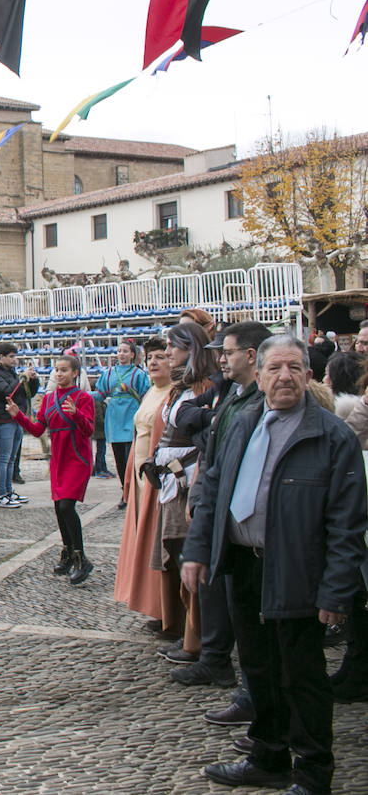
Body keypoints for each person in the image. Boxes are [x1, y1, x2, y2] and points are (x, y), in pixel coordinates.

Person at [182, 335, 368, 795]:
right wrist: (198, 550)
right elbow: (212, 489)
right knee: (258, 667)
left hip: (299, 570)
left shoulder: (332, 436)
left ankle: (312, 773)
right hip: (245, 566)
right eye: (275, 368)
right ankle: (268, 755)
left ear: (307, 375)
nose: (285, 376)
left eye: (294, 367)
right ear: (259, 375)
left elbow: (348, 526)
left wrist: (336, 591)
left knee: (302, 676)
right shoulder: (242, 422)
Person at [172, 321, 271, 690]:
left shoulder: (254, 399)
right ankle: (225, 668)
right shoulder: (231, 392)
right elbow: (195, 428)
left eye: (227, 352)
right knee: (222, 593)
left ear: (249, 355)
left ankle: (251, 691)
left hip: (241, 515)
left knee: (244, 609)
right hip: (217, 502)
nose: (220, 359)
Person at [151, 321, 218, 664]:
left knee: (189, 557)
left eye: (174, 347)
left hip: (187, 481)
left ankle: (200, 641)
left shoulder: (204, 387)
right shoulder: (183, 387)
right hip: (172, 481)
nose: (168, 353)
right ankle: (189, 633)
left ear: (191, 349)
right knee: (178, 557)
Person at [8, 355, 94, 584]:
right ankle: (67, 553)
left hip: (77, 457)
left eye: (64, 370)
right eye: (56, 369)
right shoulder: (48, 399)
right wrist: (19, 417)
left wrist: (77, 414)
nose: (59, 374)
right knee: (59, 507)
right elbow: (38, 430)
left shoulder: (84, 398)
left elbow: (89, 430)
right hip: (59, 459)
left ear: (75, 373)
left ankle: (81, 557)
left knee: (67, 505)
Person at [114, 337, 173, 629]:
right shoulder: (152, 391)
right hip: (139, 478)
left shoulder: (173, 394)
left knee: (157, 542)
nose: (153, 362)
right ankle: (155, 606)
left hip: (156, 479)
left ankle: (166, 609)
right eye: (150, 357)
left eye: (161, 356)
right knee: (145, 540)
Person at [0, 343, 38, 509]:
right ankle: (2, 495)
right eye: (11, 356)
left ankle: (9, 491)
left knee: (11, 459)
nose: (15, 360)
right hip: (2, 420)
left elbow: (27, 393)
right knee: (4, 458)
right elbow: (9, 393)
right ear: (1, 357)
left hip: (15, 418)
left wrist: (33, 380)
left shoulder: (11, 374)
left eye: (15, 356)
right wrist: (22, 379)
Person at [95, 342, 150, 496]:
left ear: (132, 355)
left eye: (125, 351)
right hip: (115, 417)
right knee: (119, 458)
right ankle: (124, 490)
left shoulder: (138, 374)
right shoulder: (109, 373)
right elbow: (100, 394)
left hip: (131, 414)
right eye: (119, 351)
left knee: (131, 457)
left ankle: (134, 490)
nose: (121, 354)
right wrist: (80, 395)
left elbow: (146, 395)